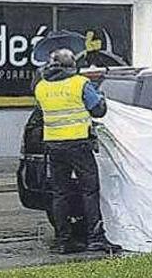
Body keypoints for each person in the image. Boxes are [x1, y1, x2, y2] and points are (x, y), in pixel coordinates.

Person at [34, 48, 117, 254]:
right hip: (78, 144)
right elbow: (99, 110)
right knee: (89, 191)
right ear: (72, 66)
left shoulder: (41, 86)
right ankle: (95, 237)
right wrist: (101, 98)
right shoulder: (80, 83)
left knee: (59, 193)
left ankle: (64, 240)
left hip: (53, 145)